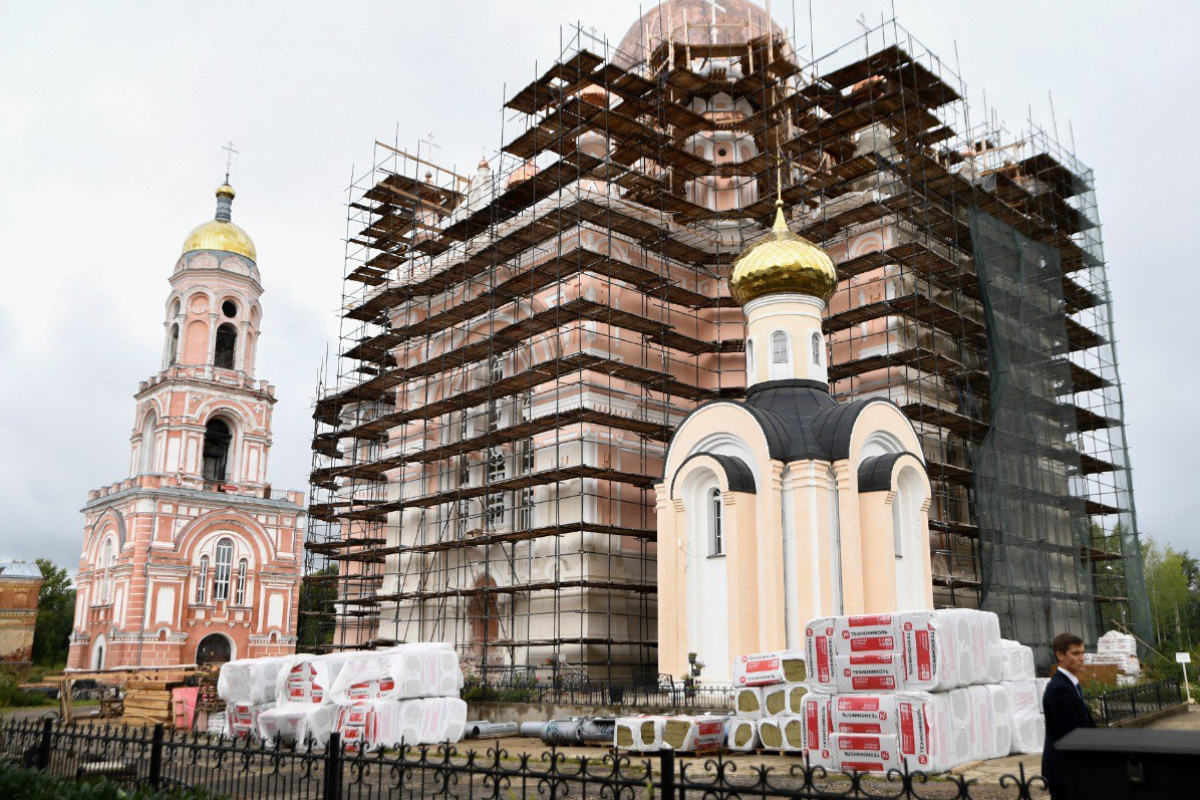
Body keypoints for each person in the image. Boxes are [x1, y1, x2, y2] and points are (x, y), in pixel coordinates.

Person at [1041, 632, 1096, 800]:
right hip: (1065, 770)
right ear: (1060, 655)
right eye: (1076, 653)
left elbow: (1087, 723)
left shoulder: (1072, 685)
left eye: (1083, 652)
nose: (1082, 658)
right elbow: (1071, 734)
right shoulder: (1059, 689)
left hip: (1074, 770)